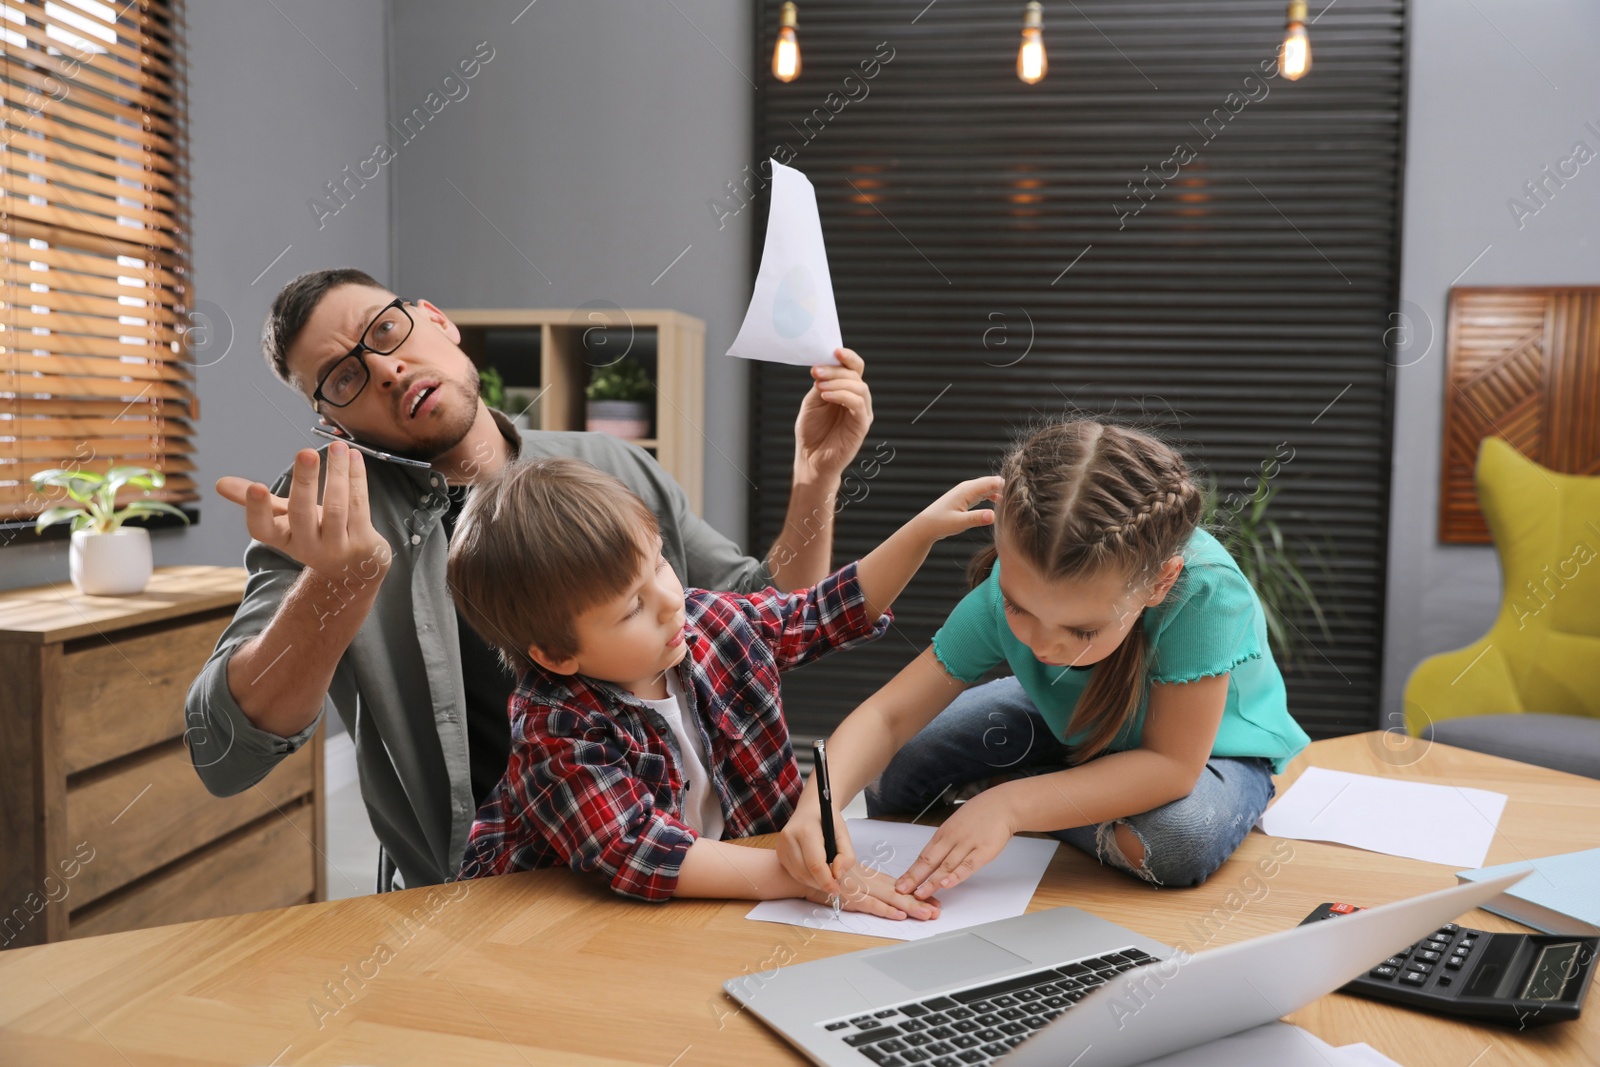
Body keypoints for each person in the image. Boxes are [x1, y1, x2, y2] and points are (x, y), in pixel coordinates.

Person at [183, 268, 877, 890]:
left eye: (387, 330)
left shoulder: (611, 465)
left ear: (437, 319)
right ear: (331, 421)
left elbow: (764, 623)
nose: (388, 369)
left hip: (674, 873)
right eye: (343, 377)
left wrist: (813, 482)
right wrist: (339, 584)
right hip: (481, 899)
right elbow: (224, 755)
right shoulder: (321, 520)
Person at [777, 418, 1312, 901]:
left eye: (1083, 629)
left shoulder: (1205, 594)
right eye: (1018, 607)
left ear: (1160, 582)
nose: (1044, 645)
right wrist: (817, 805)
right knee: (895, 773)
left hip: (1213, 753)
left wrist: (1010, 806)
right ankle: (1047, 791)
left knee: (1175, 841)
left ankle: (1013, 793)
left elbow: (1171, 767)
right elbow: (887, 717)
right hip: (1069, 722)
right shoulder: (1002, 591)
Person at [449, 457, 1001, 913]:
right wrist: (803, 878)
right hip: (548, 919)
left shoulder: (708, 622)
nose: (671, 603)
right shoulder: (555, 724)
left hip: (718, 892)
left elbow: (828, 612)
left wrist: (920, 531)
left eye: (660, 565)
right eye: (632, 608)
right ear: (557, 655)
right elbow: (637, 850)